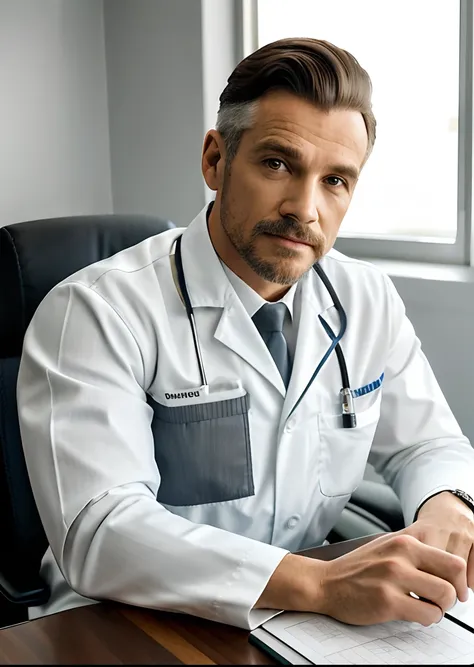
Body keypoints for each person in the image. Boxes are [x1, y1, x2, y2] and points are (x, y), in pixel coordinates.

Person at [17, 37, 474, 631]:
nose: (305, 209)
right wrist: (322, 582)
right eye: (278, 163)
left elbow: (428, 445)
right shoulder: (95, 310)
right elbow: (102, 532)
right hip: (121, 621)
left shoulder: (366, 300)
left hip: (297, 617)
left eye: (336, 180)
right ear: (215, 159)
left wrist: (447, 507)